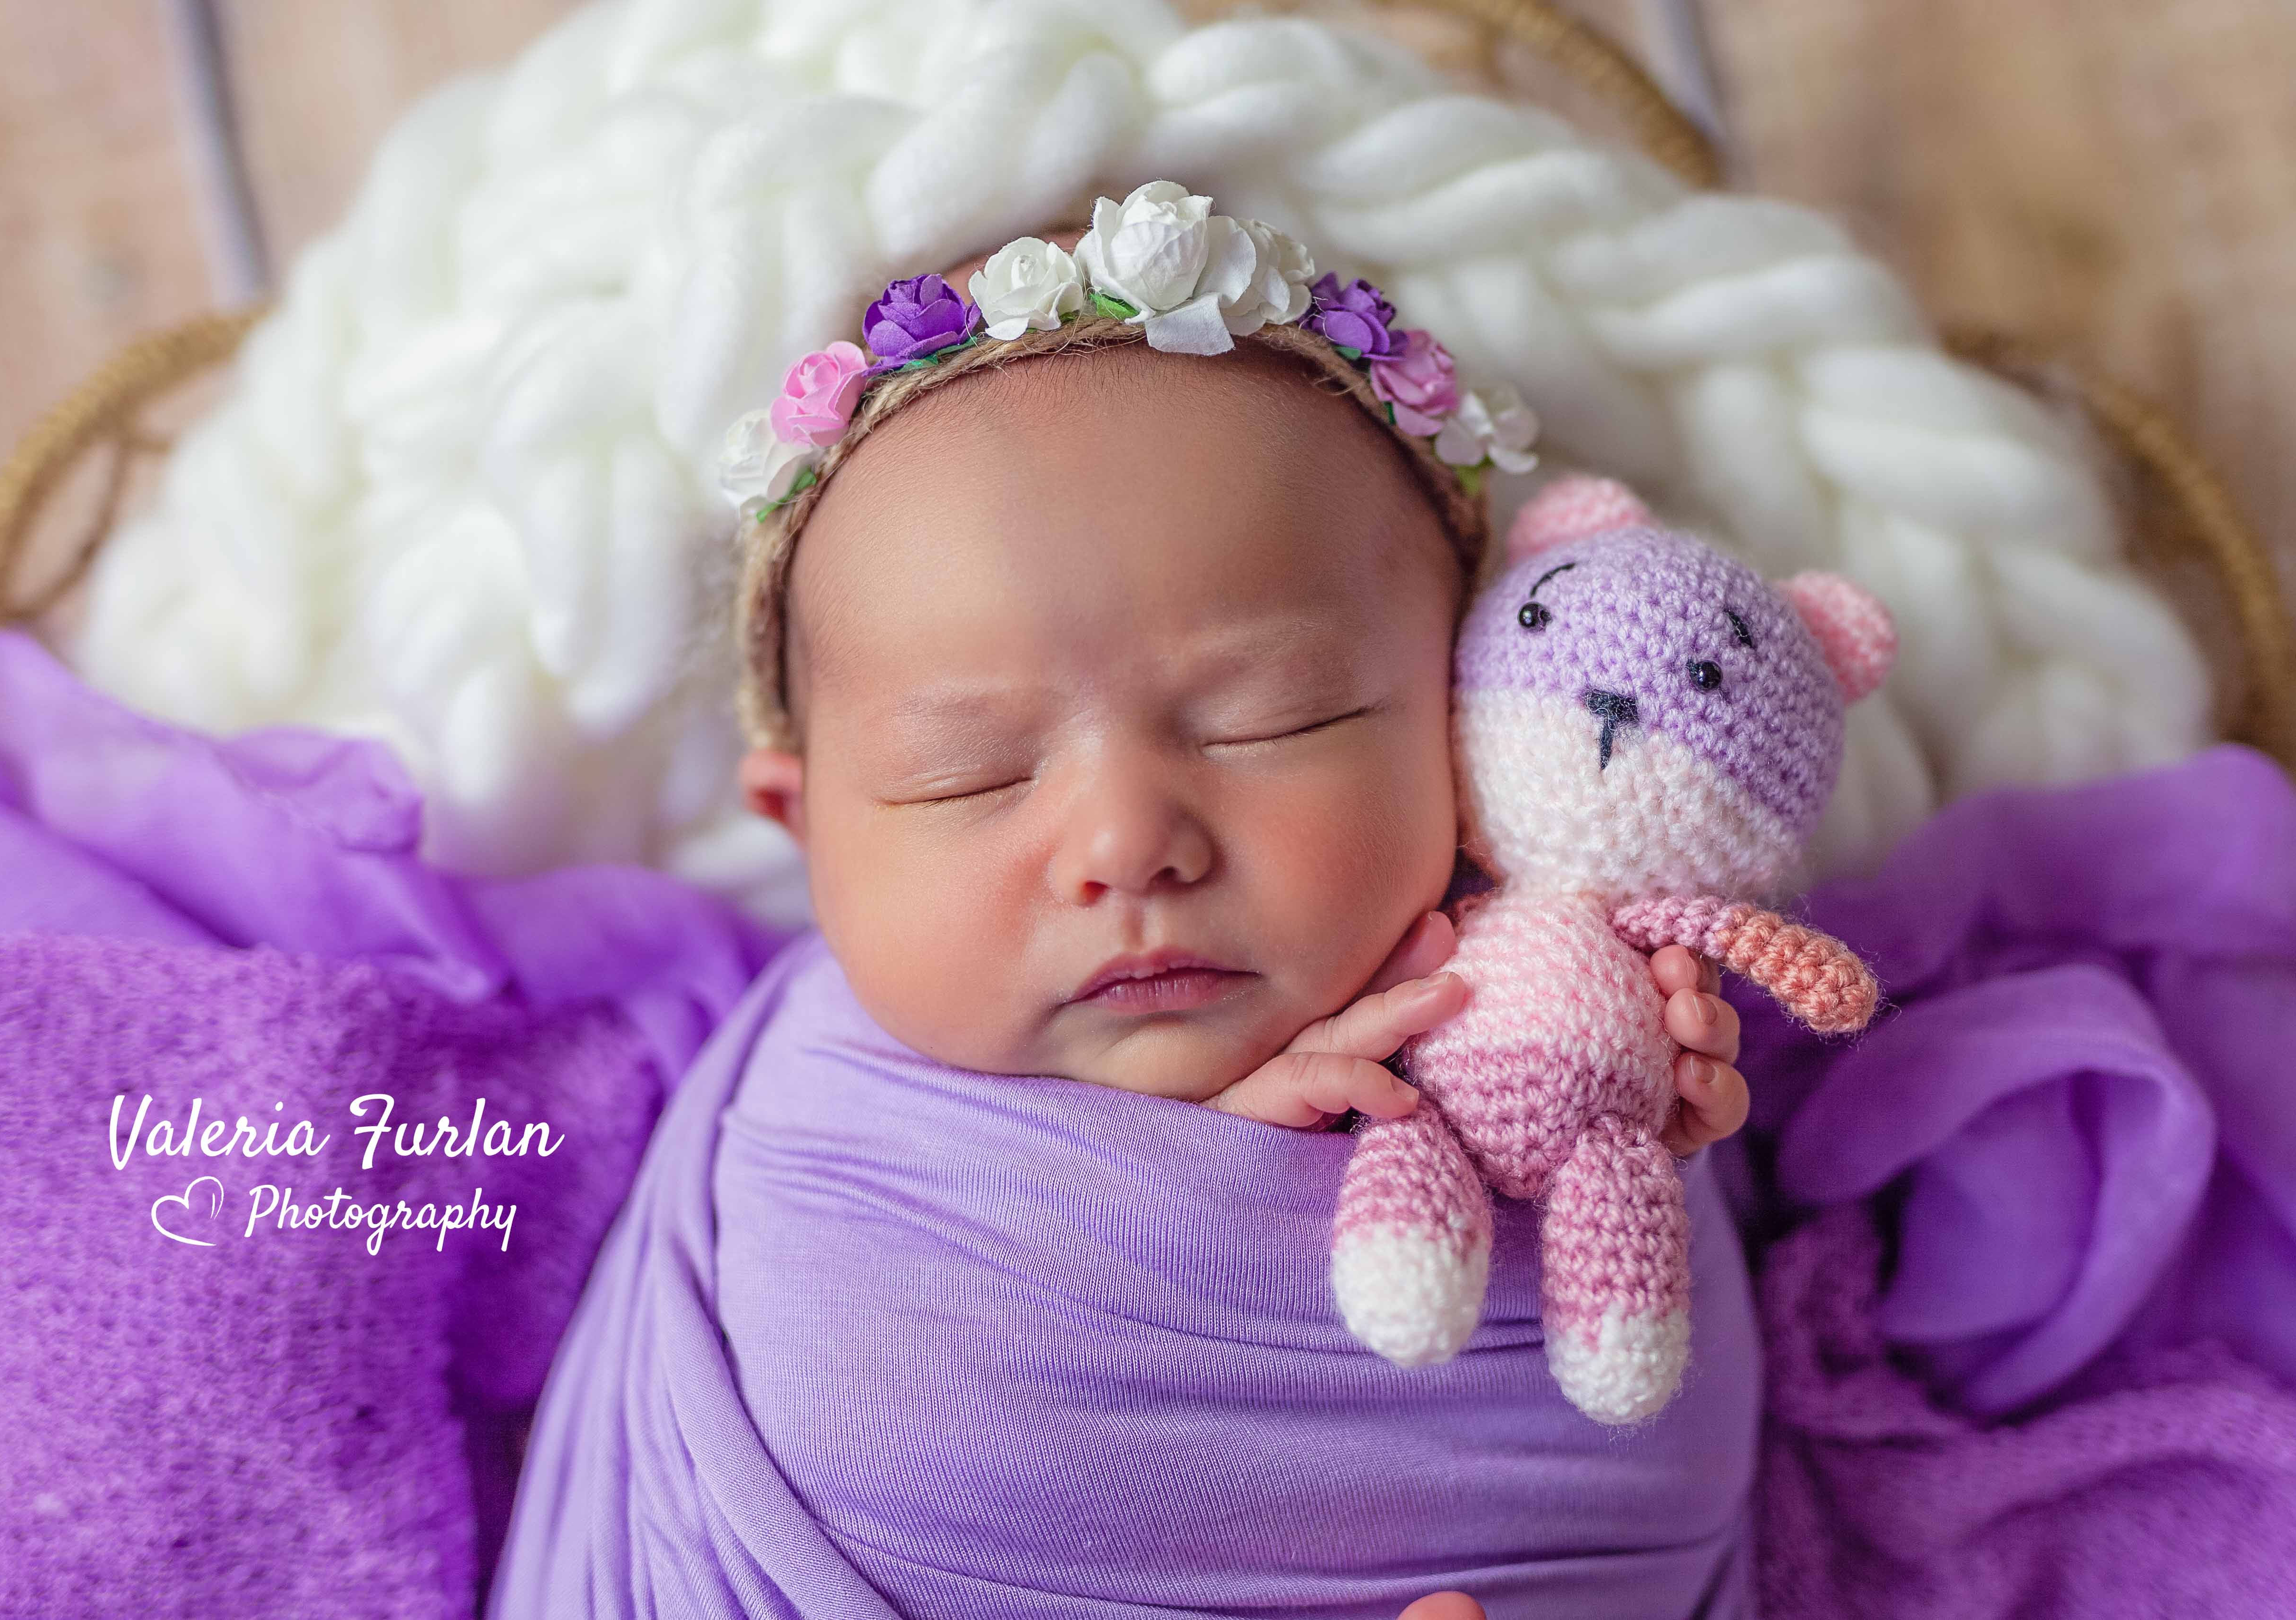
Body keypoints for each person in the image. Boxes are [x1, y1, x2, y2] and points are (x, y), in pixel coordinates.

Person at [492, 189, 1760, 1619]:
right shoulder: (825, 1134)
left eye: (1270, 719)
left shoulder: (1565, 1004)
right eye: (967, 774)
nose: (1126, 843)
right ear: (809, 833)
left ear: (1461, 723)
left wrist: (1655, 1103)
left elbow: (1648, 1442)